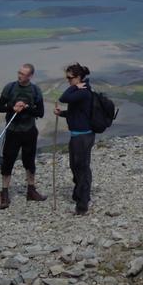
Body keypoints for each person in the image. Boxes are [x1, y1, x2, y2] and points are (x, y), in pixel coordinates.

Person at [0, 63, 46, 209]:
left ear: (30, 76)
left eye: (23, 74)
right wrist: (13, 108)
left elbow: (40, 112)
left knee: (29, 161)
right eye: (19, 73)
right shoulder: (10, 88)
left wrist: (26, 108)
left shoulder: (35, 90)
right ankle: (4, 193)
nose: (19, 76)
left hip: (29, 130)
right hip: (12, 131)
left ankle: (31, 190)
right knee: (8, 161)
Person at [54, 63, 95, 215]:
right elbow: (79, 112)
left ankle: (82, 204)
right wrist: (62, 114)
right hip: (79, 135)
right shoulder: (82, 91)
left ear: (78, 78)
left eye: (70, 78)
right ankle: (80, 194)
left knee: (81, 168)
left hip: (82, 136)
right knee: (77, 166)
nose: (68, 80)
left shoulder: (83, 91)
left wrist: (74, 87)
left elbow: (63, 97)